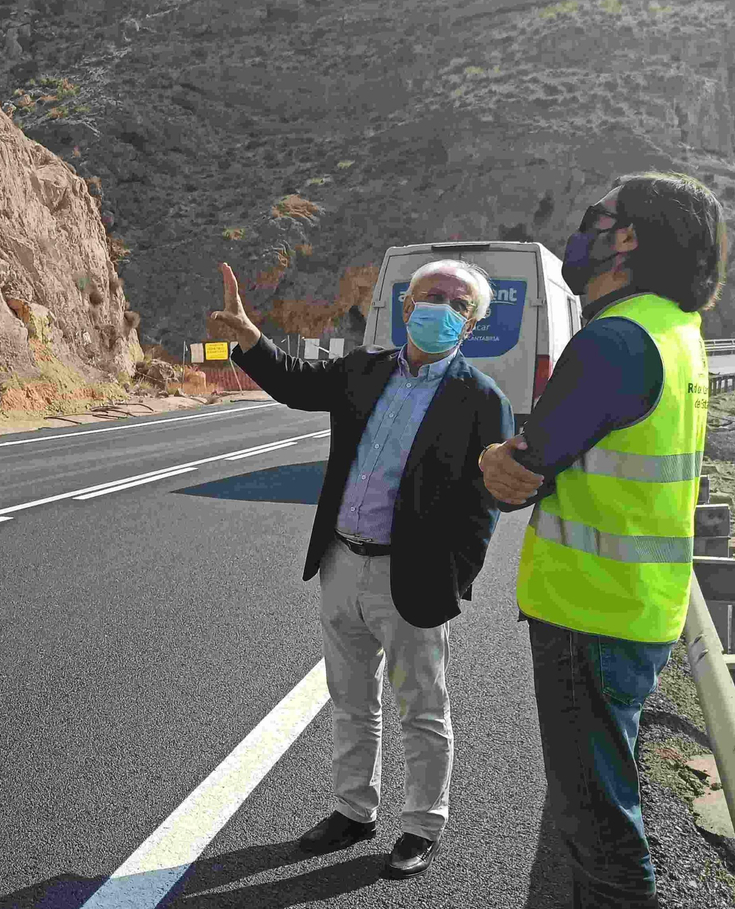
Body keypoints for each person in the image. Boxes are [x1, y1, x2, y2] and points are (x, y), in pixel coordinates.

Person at [479, 172, 724, 909]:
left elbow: (521, 469)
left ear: (627, 242)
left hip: (590, 615)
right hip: (638, 609)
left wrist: (492, 460)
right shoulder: (676, 332)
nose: (582, 232)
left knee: (600, 823)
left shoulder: (614, 342)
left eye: (599, 221)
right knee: (594, 812)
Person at [211, 258, 514, 877]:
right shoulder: (363, 370)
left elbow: (484, 507)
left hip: (414, 576)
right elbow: (295, 382)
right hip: (342, 560)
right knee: (350, 699)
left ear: (473, 323)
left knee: (422, 708)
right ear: (406, 307)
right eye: (433, 296)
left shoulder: (482, 400)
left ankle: (422, 825)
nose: (443, 309)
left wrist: (453, 578)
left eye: (459, 304)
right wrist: (249, 338)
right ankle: (353, 810)